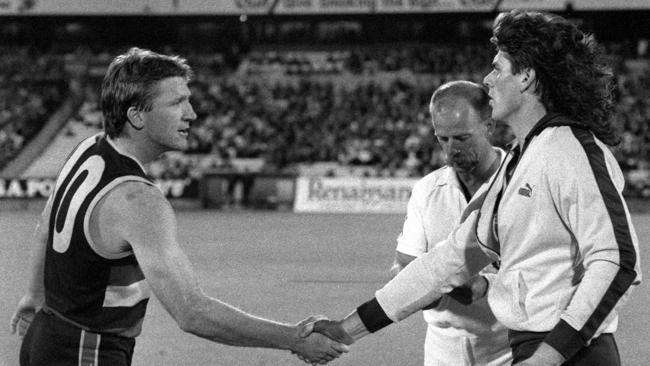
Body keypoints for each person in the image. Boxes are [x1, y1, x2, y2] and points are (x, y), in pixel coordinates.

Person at [301, 10, 641, 366]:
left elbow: (618, 260)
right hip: (537, 349)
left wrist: (546, 358)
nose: (487, 79)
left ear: (526, 77)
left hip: (573, 354)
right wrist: (346, 329)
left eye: (498, 68)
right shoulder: (520, 160)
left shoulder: (571, 150)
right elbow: (447, 262)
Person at [10, 47, 348, 366]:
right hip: (87, 351)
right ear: (137, 116)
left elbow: (45, 224)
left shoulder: (89, 148)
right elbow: (192, 312)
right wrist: (293, 338)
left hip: (46, 334)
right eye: (177, 103)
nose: (191, 113)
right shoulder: (138, 200)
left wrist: (32, 296)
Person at [390, 80, 511, 366]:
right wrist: (412, 281)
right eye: (442, 139)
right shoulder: (427, 190)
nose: (450, 150)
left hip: (510, 348)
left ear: (489, 127)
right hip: (442, 350)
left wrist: (483, 285)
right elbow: (406, 265)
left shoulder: (523, 184)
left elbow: (545, 271)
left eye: (462, 138)